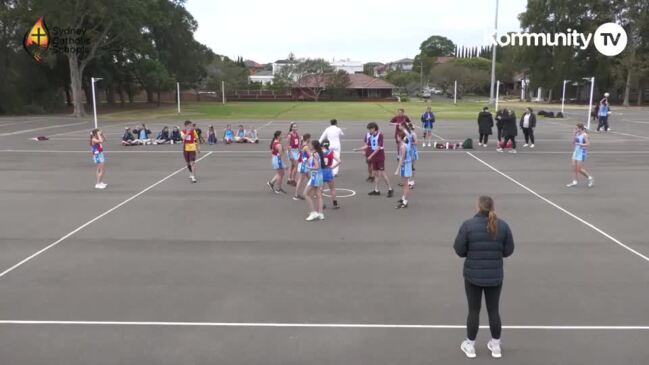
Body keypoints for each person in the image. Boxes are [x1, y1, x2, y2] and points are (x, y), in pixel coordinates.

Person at [454, 196, 514, 359]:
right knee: (493, 310)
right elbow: (508, 250)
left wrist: (472, 254)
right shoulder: (502, 226)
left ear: (477, 207)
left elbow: (459, 250)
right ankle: (496, 345)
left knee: (473, 310)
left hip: (473, 275)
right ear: (492, 207)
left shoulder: (468, 225)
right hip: (494, 275)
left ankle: (470, 345)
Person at [354, 122, 394, 197]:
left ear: (374, 128)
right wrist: (357, 149)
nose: (369, 131)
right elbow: (366, 146)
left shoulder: (380, 135)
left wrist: (370, 156)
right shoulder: (371, 137)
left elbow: (378, 148)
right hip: (374, 157)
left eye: (370, 129)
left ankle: (390, 189)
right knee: (375, 174)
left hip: (380, 156)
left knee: (382, 173)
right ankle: (376, 190)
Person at [567, 122, 594, 188]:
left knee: (579, 169)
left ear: (580, 128)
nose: (575, 129)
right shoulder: (577, 134)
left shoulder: (585, 135)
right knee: (574, 167)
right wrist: (574, 135)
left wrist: (580, 144)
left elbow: (587, 144)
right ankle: (575, 181)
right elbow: (573, 143)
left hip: (582, 152)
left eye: (576, 128)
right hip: (576, 151)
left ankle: (590, 178)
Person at [304, 140, 325, 221]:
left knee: (306, 194)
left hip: (315, 176)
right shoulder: (318, 153)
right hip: (319, 176)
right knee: (318, 194)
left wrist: (309, 167)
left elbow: (316, 167)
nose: (309, 146)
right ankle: (320, 213)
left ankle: (313, 212)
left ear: (313, 146)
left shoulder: (314, 154)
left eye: (311, 145)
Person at [394, 128, 413, 209]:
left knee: (405, 184)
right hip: (406, 165)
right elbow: (408, 135)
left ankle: (405, 201)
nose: (397, 138)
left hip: (405, 166)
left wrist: (397, 170)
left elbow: (402, 159)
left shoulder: (403, 147)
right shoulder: (406, 144)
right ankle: (403, 198)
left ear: (400, 137)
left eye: (398, 136)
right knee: (405, 184)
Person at [321, 139, 341, 210]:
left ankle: (322, 204)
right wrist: (332, 167)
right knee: (332, 189)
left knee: (321, 190)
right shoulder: (331, 152)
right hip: (328, 171)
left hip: (321, 171)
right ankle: (335, 204)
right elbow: (339, 161)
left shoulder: (319, 153)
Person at [293, 133, 311, 201]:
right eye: (310, 138)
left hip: (303, 164)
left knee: (310, 178)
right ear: (307, 139)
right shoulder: (306, 146)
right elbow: (310, 155)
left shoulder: (302, 144)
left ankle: (313, 192)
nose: (310, 139)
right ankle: (296, 195)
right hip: (304, 165)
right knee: (301, 180)